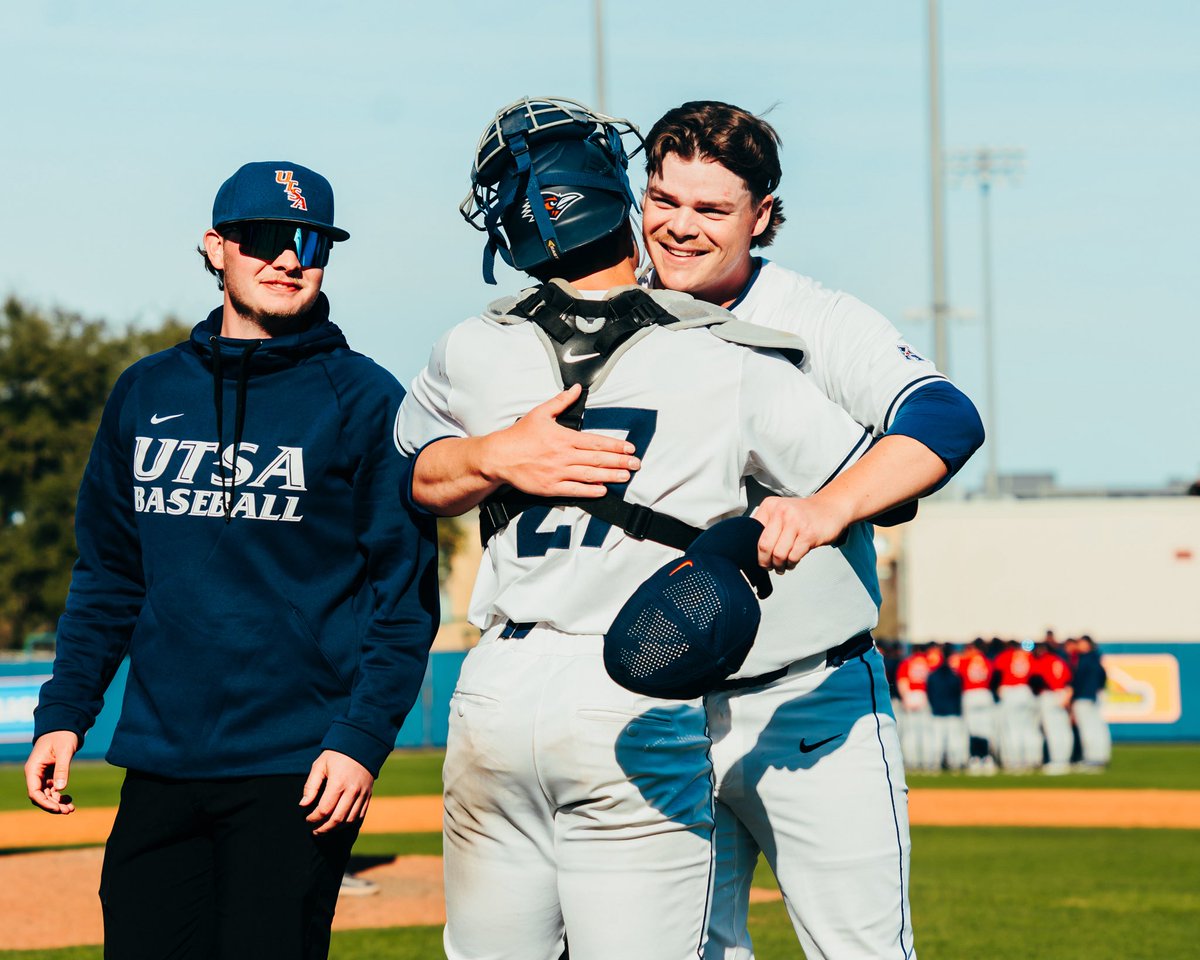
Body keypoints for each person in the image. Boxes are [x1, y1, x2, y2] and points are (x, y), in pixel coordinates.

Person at [393, 96, 883, 960]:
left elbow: (417, 474)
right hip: (630, 680)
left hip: (495, 684)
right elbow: (865, 481)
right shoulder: (731, 354)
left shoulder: (470, 346)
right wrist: (741, 540)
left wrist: (497, 456)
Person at [24, 161, 439, 960]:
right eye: (265, 239)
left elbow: (403, 597)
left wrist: (359, 739)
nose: (290, 258)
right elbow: (108, 577)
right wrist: (65, 714)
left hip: (298, 769)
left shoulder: (363, 399)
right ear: (216, 247)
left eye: (312, 242)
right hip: (160, 761)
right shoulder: (144, 392)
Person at [639, 100, 984, 959]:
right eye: (662, 199)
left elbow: (945, 418)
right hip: (659, 705)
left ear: (762, 216)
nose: (678, 227)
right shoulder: (614, 314)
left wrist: (827, 506)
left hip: (809, 695)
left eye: (711, 209)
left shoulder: (817, 316)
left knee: (859, 952)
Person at [994, 640, 1042, 771]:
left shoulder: (1005, 656)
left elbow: (996, 675)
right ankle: (1033, 760)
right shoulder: (1029, 656)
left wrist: (997, 689)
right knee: (1030, 730)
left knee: (1012, 730)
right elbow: (1037, 678)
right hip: (1026, 692)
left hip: (1010, 692)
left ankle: (1014, 762)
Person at [1069, 635, 1111, 770]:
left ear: (1087, 644)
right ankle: (1100, 757)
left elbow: (1077, 681)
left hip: (1083, 697)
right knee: (1098, 728)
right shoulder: (1097, 659)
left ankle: (1091, 759)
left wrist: (1073, 696)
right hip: (1094, 697)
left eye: (1081, 643)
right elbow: (1103, 678)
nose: (1078, 645)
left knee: (1088, 730)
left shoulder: (1084, 660)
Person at [957, 637, 998, 775]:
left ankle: (975, 757)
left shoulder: (965, 660)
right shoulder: (986, 661)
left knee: (973, 729)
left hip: (970, 693)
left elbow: (958, 674)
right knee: (985, 729)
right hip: (984, 693)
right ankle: (987, 758)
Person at [1032, 641, 1074, 774]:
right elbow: (1069, 680)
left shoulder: (1044, 660)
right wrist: (1067, 696)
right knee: (1064, 730)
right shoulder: (1060, 661)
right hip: (1062, 694)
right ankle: (1065, 761)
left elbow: (1036, 679)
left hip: (1049, 695)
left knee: (1052, 731)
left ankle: (1056, 761)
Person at [897, 644, 936, 772]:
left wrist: (906, 699)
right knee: (926, 733)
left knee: (910, 733)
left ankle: (911, 762)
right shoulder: (928, 662)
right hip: (923, 695)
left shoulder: (907, 663)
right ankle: (927, 762)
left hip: (910, 694)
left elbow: (902, 681)